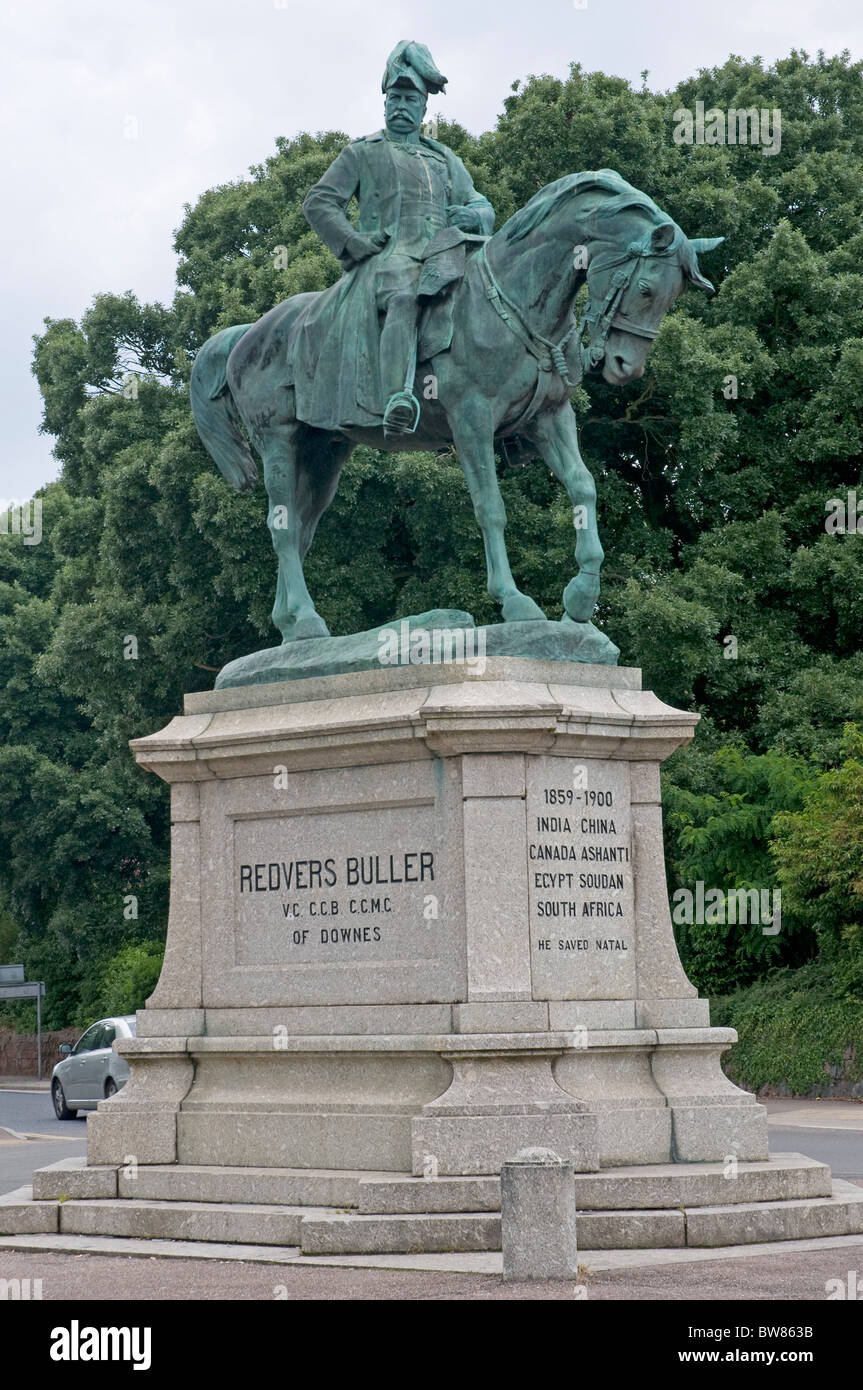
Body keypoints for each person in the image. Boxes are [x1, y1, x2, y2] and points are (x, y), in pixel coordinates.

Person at [302, 40, 495, 437]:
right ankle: (397, 399)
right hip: (388, 262)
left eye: (411, 98)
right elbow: (319, 202)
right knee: (404, 300)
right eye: (395, 97)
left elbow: (480, 202)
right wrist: (353, 242)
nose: (401, 105)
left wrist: (474, 215)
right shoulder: (362, 153)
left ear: (425, 107)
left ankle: (510, 413)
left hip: (443, 259)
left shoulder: (443, 158)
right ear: (385, 102)